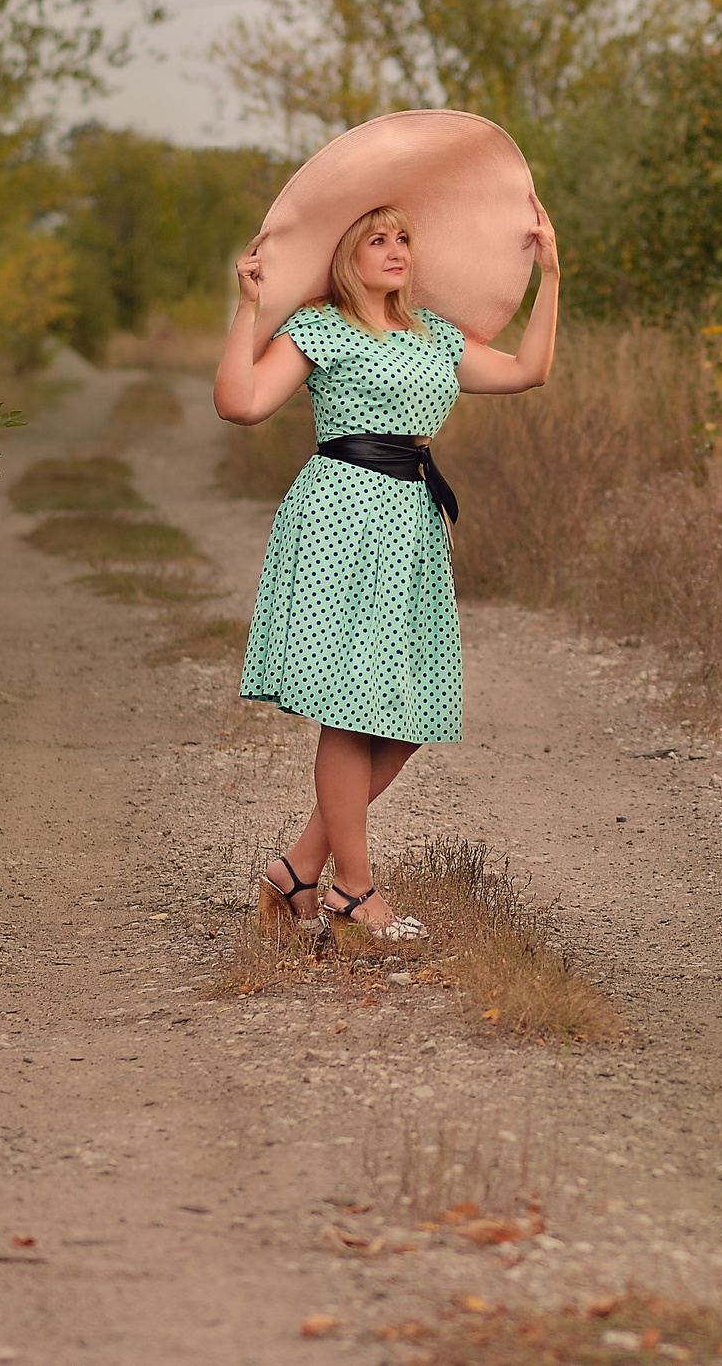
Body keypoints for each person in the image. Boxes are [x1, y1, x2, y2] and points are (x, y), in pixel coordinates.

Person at [213, 196, 559, 950]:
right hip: (340, 517)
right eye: (378, 239)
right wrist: (248, 309)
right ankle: (354, 888)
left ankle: (298, 868)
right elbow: (239, 403)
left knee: (412, 711)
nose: (397, 249)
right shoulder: (320, 327)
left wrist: (550, 275)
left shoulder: (435, 334)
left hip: (411, 526)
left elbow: (529, 371)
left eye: (403, 237)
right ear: (346, 254)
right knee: (350, 706)